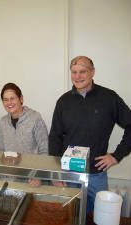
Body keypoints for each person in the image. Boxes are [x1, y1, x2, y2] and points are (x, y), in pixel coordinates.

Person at [49, 56, 131, 213]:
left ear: (92, 72)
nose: (77, 76)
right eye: (74, 72)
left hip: (96, 175)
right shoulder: (63, 101)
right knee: (71, 217)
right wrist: (55, 172)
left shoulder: (109, 98)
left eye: (82, 71)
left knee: (99, 217)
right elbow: (55, 137)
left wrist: (116, 155)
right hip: (69, 175)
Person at [0, 83, 49, 187]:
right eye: (5, 100)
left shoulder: (35, 118)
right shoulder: (3, 121)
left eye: (12, 98)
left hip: (30, 179)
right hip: (9, 178)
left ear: (21, 99)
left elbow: (44, 150)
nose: (9, 103)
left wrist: (38, 176)